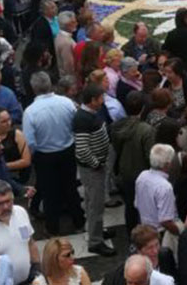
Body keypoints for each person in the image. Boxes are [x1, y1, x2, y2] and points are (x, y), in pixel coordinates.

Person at [22, 72, 85, 236]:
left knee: (50, 193)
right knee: (71, 187)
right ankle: (79, 222)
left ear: (33, 88)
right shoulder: (66, 103)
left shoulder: (30, 112)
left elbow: (31, 141)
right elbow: (76, 125)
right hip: (67, 150)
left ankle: (53, 229)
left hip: (45, 156)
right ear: (50, 84)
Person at [73, 84, 115, 257]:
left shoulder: (89, 114)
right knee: (95, 205)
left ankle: (96, 230)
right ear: (92, 101)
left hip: (95, 166)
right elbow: (82, 148)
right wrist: (96, 163)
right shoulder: (82, 119)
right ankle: (95, 242)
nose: (102, 101)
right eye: (100, 98)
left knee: (93, 202)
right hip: (92, 169)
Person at [111, 91, 155, 234]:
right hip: (142, 172)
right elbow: (150, 156)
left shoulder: (116, 126)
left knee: (130, 205)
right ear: (143, 108)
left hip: (124, 170)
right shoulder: (146, 130)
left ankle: (132, 235)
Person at [135, 144, 180, 236]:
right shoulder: (165, 187)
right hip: (160, 233)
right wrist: (179, 232)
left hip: (145, 227)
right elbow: (165, 221)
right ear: (167, 165)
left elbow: (137, 204)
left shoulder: (142, 176)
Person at [0, 108, 31, 183]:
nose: (9, 123)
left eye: (9, 119)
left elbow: (26, 161)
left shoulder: (17, 134)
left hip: (19, 176)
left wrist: (3, 166)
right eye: (4, 122)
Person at [55, 11, 77, 78]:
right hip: (69, 78)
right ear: (67, 25)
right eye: (73, 22)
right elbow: (68, 65)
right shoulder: (66, 43)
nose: (76, 24)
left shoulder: (60, 35)